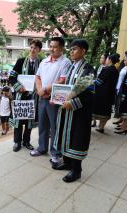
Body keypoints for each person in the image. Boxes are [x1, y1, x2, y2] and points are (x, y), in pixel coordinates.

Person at [52, 39, 94, 183]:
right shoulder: (71, 67)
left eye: (75, 49)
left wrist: (73, 102)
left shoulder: (88, 69)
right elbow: (65, 88)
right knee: (65, 136)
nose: (71, 51)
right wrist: (56, 97)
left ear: (83, 51)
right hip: (66, 109)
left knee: (77, 138)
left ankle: (76, 170)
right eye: (70, 49)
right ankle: (67, 163)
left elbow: (89, 93)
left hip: (79, 111)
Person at [31, 37, 72, 162]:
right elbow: (37, 77)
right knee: (42, 125)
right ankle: (42, 148)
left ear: (61, 48)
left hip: (55, 99)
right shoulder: (44, 61)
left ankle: (56, 152)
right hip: (42, 98)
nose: (52, 49)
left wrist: (45, 90)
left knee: (55, 126)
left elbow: (62, 80)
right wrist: (39, 90)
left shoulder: (65, 62)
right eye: (51, 46)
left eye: (55, 46)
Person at [9, 39, 43, 152]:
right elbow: (12, 77)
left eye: (36, 48)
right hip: (20, 95)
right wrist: (19, 87)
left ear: (39, 50)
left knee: (29, 122)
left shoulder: (42, 63)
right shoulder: (21, 61)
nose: (33, 50)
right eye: (31, 47)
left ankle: (26, 141)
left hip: (34, 97)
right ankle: (17, 142)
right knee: (18, 121)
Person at [92, 53, 120, 133]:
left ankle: (96, 125)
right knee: (105, 111)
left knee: (97, 109)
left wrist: (92, 81)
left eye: (106, 59)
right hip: (110, 94)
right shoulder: (115, 70)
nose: (105, 60)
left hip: (101, 94)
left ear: (110, 60)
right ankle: (101, 127)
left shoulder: (106, 69)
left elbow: (98, 81)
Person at [92, 53, 108, 127]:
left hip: (101, 90)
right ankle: (93, 121)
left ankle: (100, 124)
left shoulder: (107, 68)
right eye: (100, 58)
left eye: (102, 58)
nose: (100, 59)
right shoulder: (99, 66)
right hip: (95, 87)